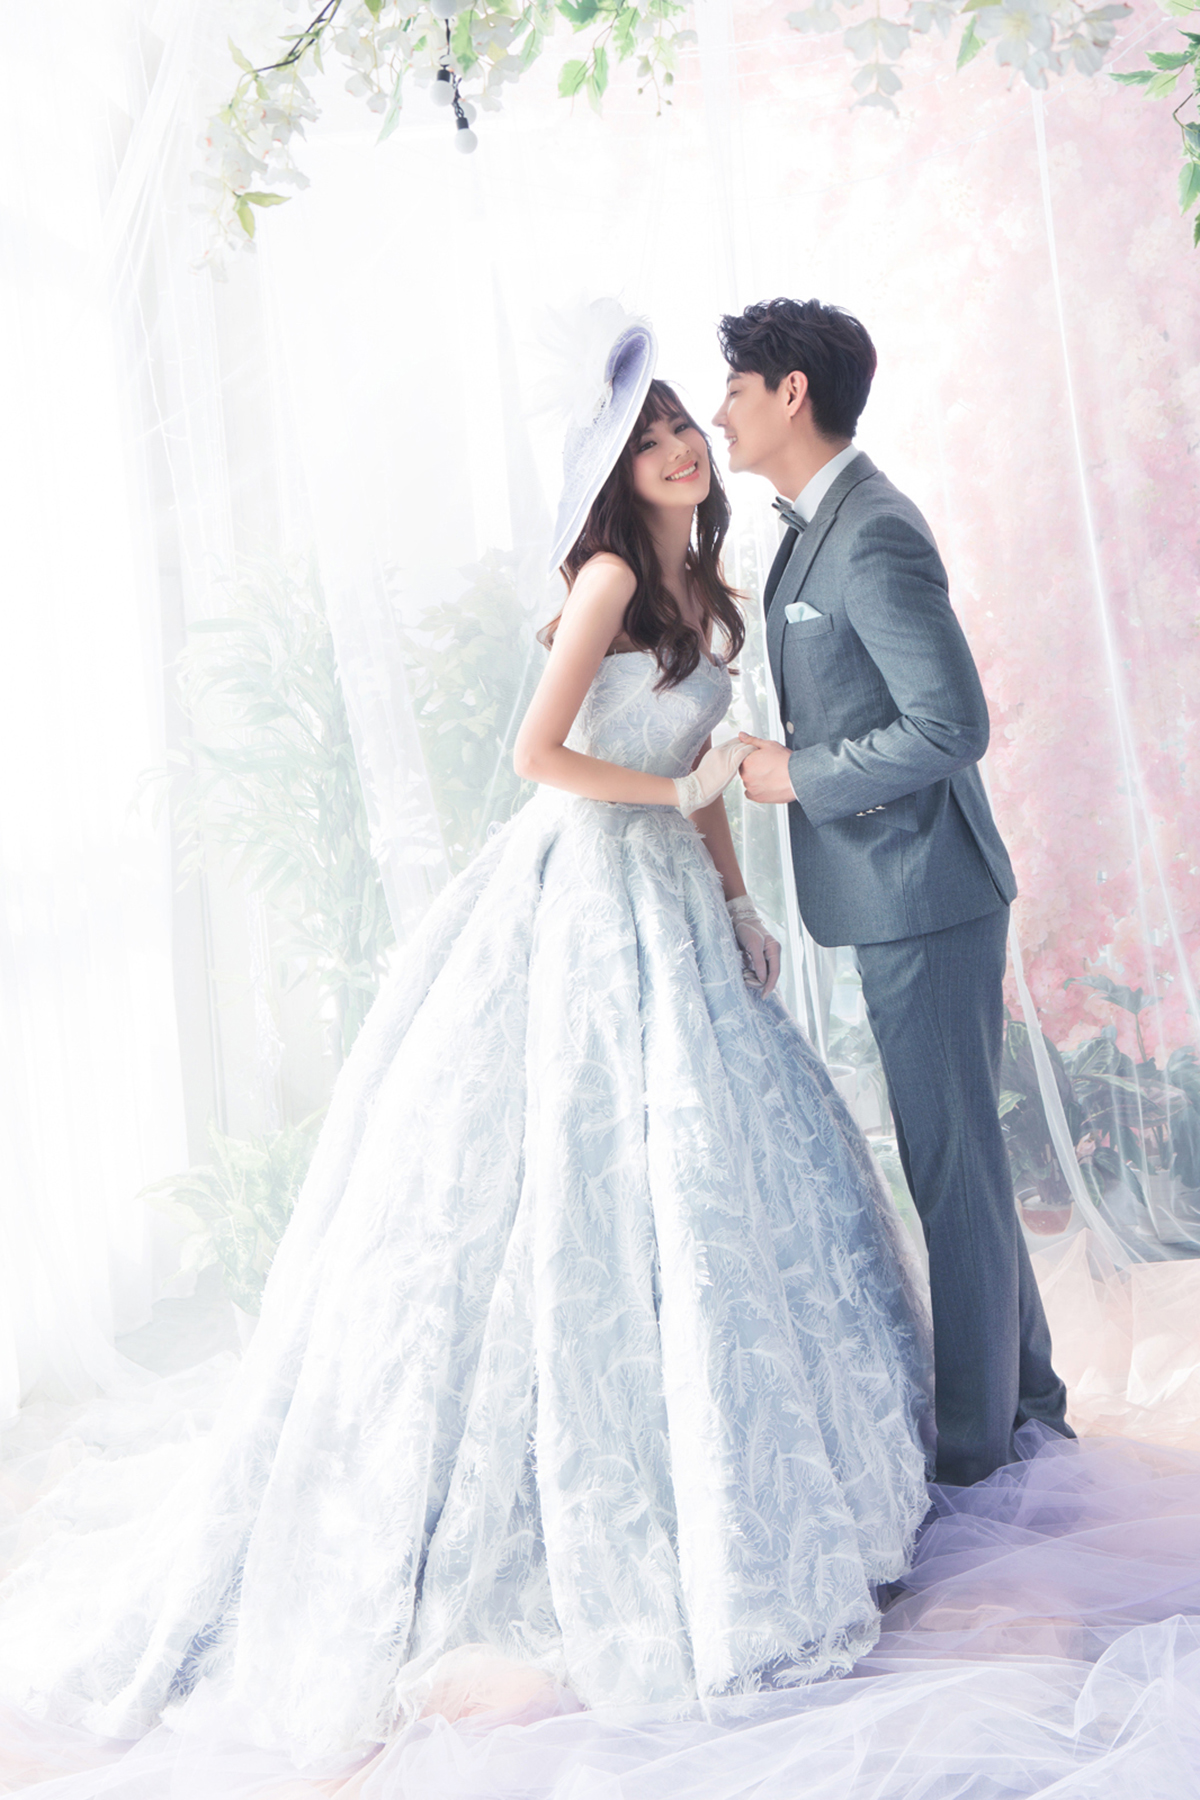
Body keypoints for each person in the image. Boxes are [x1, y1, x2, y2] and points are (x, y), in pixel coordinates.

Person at [0, 308, 932, 1770]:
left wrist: (740, 899)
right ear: (613, 468)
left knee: (710, 1183)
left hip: (675, 901)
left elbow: (701, 765)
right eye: (650, 437)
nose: (680, 448)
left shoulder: (706, 586)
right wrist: (679, 806)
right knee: (562, 1178)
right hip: (582, 895)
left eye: (685, 425)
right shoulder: (609, 577)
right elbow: (539, 758)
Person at [714, 296, 1073, 1488]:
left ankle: (975, 1452)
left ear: (792, 393)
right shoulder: (815, 526)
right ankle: (1027, 1404)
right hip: (898, 887)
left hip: (925, 889)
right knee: (961, 1161)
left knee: (949, 1167)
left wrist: (796, 774)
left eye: (735, 388)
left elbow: (950, 725)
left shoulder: (870, 531)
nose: (720, 413)